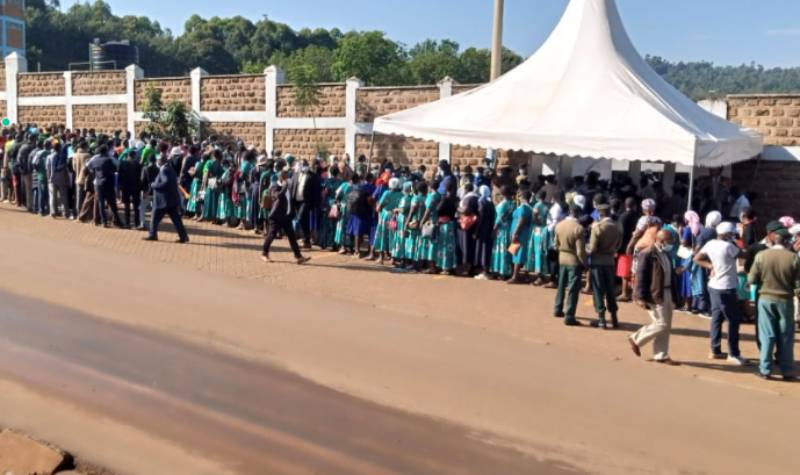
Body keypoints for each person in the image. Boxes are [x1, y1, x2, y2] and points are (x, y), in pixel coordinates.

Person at [748, 226, 800, 381]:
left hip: (765, 298)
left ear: (775, 240)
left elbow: (751, 279)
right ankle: (788, 371)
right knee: (786, 336)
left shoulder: (761, 255)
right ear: (787, 242)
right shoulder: (793, 258)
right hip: (785, 300)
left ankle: (765, 370)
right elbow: (798, 285)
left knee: (767, 335)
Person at [694, 222, 748, 365]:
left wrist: (710, 265)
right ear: (729, 234)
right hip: (727, 288)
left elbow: (697, 258)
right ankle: (733, 353)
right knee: (734, 320)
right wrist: (739, 240)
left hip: (713, 286)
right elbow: (744, 254)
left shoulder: (711, 243)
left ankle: (715, 350)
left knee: (717, 318)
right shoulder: (729, 247)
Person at [628, 230, 680, 365]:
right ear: (661, 241)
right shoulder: (647, 253)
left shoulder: (666, 254)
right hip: (655, 294)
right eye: (669, 242)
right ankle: (636, 338)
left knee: (666, 326)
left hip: (667, 292)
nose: (671, 245)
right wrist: (639, 296)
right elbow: (641, 275)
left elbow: (665, 273)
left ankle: (661, 355)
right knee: (661, 324)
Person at [587, 194, 622, 329]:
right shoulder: (616, 226)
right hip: (610, 261)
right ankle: (614, 318)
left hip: (598, 261)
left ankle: (601, 319)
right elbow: (618, 244)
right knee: (610, 290)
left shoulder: (598, 227)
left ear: (600, 214)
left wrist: (587, 249)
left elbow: (593, 247)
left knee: (598, 290)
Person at [261, 169, 310, 265]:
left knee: (292, 236)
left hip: (286, 217)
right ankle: (264, 253)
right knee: (271, 235)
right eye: (286, 177)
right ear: (282, 178)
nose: (288, 179)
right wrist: (285, 186)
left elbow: (290, 200)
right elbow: (277, 196)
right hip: (276, 216)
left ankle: (298, 256)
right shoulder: (275, 186)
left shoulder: (288, 187)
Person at [142, 153, 189, 244]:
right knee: (176, 220)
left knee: (154, 218)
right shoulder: (170, 168)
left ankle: (152, 235)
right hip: (171, 199)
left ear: (161, 161)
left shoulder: (164, 170)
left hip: (163, 200)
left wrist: (154, 185)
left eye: (159, 160)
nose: (157, 161)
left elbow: (165, 182)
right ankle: (183, 236)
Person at [554, 201, 587, 326]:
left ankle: (557, 309)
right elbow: (580, 251)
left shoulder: (559, 225)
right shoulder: (578, 228)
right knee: (573, 288)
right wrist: (584, 264)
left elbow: (555, 244)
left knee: (561, 285)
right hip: (573, 260)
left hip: (562, 257)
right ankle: (569, 315)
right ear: (578, 214)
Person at [86, 144, 123, 228]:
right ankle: (117, 221)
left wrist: (94, 172)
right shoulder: (108, 160)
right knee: (112, 204)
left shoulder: (95, 160)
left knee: (101, 203)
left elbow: (88, 167)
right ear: (106, 151)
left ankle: (104, 222)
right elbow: (117, 166)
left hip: (98, 184)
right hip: (108, 183)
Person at [508, 189, 534, 284]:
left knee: (518, 254)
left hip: (520, 233)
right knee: (516, 253)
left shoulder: (524, 207)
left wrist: (515, 233)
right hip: (521, 233)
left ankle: (515, 276)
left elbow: (521, 221)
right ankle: (520, 275)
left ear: (522, 196)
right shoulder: (528, 207)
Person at [490, 186, 515, 279]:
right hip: (509, 228)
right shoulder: (513, 203)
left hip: (501, 230)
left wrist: (494, 229)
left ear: (503, 193)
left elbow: (499, 219)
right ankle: (508, 271)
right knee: (508, 250)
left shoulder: (503, 204)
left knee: (500, 249)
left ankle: (501, 271)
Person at [473, 185, 496, 280]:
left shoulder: (481, 202)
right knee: (487, 248)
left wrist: (476, 230)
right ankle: (486, 270)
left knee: (483, 248)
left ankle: (485, 272)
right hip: (489, 227)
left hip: (483, 228)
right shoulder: (490, 202)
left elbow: (481, 216)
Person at [119, 149, 143, 228]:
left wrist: (120, 187)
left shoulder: (122, 164)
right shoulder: (138, 164)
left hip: (125, 187)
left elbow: (120, 176)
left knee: (127, 205)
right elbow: (141, 177)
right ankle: (137, 223)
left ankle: (127, 223)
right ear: (134, 156)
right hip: (136, 187)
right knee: (136, 206)